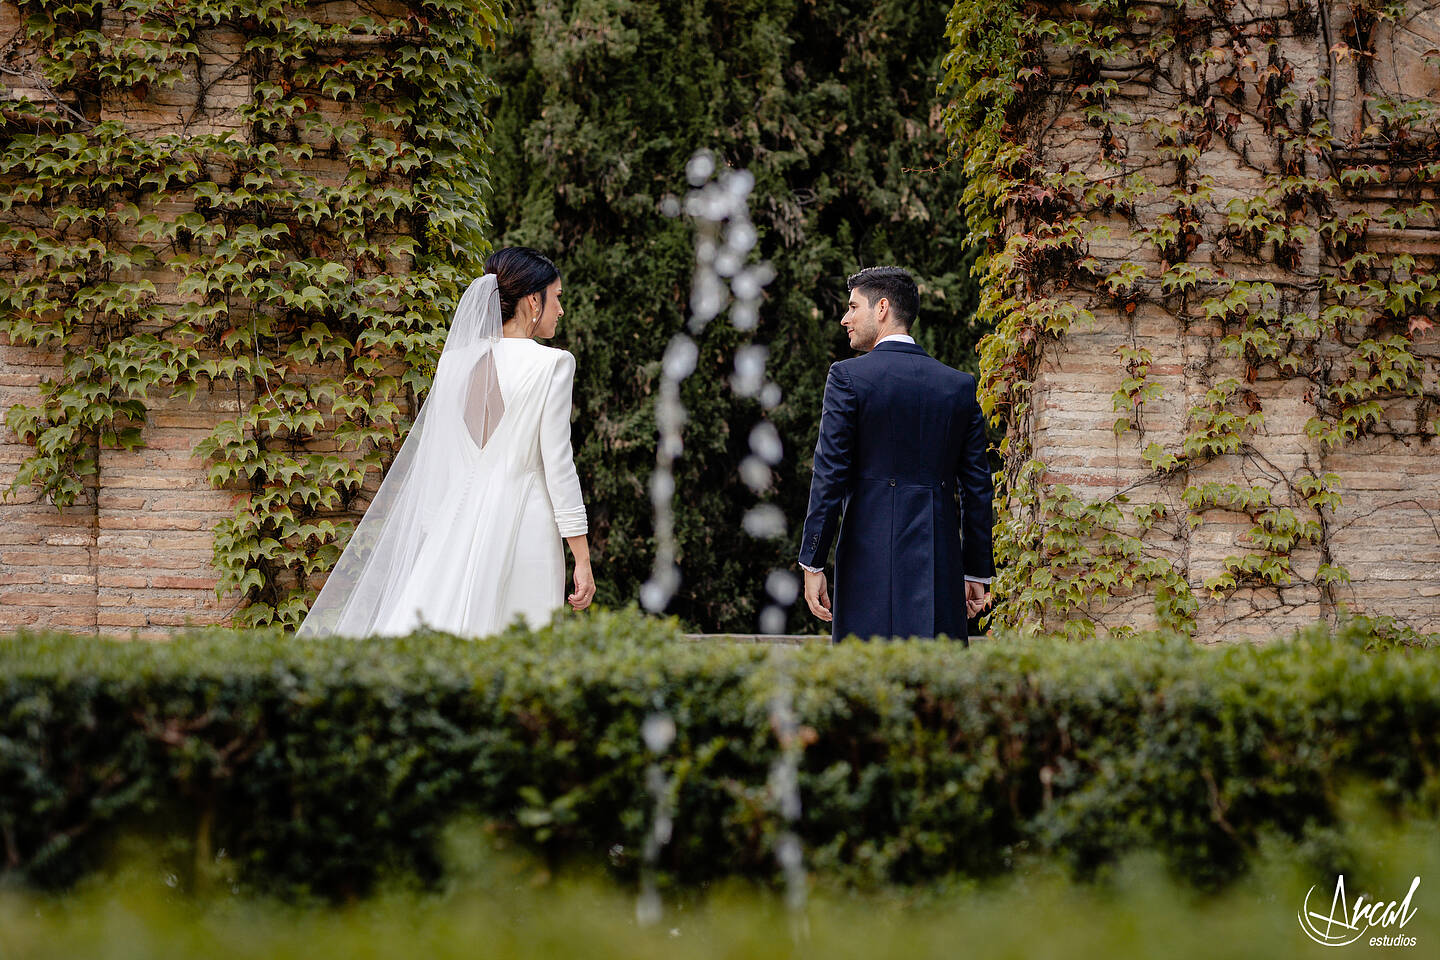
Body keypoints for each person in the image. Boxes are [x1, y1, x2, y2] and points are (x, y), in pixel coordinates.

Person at [297, 247, 595, 638]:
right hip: (526, 525)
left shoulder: (456, 362)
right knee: (518, 643)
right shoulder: (553, 365)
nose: (560, 310)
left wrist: (436, 534)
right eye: (557, 298)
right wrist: (583, 557)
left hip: (456, 521)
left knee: (442, 633)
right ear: (532, 300)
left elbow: (442, 460)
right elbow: (559, 466)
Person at [797, 266, 993, 642]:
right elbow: (977, 487)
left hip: (867, 563)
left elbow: (829, 475)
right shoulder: (958, 386)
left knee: (868, 681)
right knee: (935, 685)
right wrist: (976, 571)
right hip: (939, 565)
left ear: (882, 307)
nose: (845, 318)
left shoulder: (847, 378)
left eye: (853, 307)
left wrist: (813, 561)